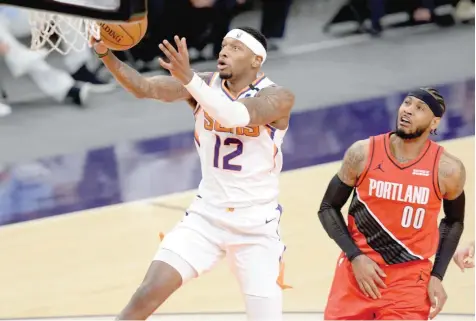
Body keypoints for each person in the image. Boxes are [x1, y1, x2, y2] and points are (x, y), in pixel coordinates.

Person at [92, 26, 295, 321]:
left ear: (256, 61)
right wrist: (105, 54)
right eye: (224, 45)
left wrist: (188, 79)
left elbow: (235, 116)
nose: (224, 51)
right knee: (145, 295)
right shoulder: (202, 84)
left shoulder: (278, 97)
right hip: (205, 218)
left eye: (236, 48)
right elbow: (143, 87)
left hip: (255, 227)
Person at [317, 87, 466, 320]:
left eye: (419, 108)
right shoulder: (362, 153)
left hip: (409, 281)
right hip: (357, 272)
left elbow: (454, 221)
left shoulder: (447, 170)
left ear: (434, 122)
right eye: (407, 103)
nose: (408, 111)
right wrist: (355, 256)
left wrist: (437, 275)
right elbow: (327, 207)